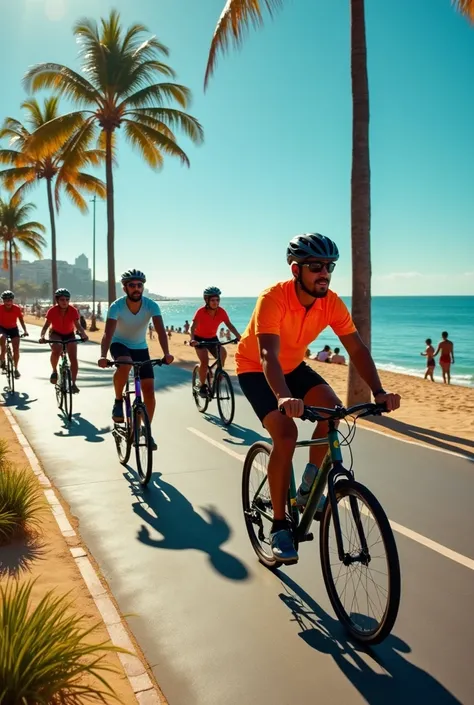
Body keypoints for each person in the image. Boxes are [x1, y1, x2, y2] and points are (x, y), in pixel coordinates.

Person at [236, 233, 401, 564]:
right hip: (256, 368)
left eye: (329, 266)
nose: (323, 272)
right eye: (315, 266)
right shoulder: (273, 298)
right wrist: (283, 397)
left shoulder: (331, 302)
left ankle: (309, 488)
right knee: (286, 435)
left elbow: (356, 348)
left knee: (333, 412)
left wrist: (379, 391)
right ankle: (280, 526)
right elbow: (268, 353)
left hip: (294, 366)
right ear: (296, 270)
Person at [97, 269, 173, 448]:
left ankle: (145, 430)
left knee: (149, 391)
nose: (136, 289)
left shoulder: (151, 305)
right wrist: (102, 355)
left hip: (140, 348)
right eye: (132, 285)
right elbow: (108, 333)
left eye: (139, 285)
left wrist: (166, 353)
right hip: (119, 344)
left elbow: (161, 331)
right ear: (125, 288)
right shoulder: (116, 306)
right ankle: (118, 400)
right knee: (124, 364)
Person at [190, 287, 241, 397]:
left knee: (223, 353)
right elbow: (193, 326)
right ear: (207, 301)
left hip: (212, 338)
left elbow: (229, 325)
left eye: (217, 300)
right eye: (213, 300)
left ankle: (217, 372)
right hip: (199, 339)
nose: (215, 303)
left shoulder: (221, 312)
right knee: (204, 361)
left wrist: (239, 336)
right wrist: (192, 339)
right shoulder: (201, 311)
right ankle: (202, 386)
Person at [39, 288, 88, 393]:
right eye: (62, 299)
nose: (65, 302)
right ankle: (54, 371)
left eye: (67, 299)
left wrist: (83, 334)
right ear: (57, 300)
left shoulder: (73, 310)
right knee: (56, 350)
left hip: (69, 335)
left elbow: (78, 325)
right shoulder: (52, 311)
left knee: (73, 358)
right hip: (55, 334)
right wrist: (42, 336)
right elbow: (45, 326)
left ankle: (73, 383)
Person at [0, 290, 29, 378]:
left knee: (16, 349)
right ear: (3, 301)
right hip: (2, 328)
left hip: (13, 329)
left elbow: (21, 320)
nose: (8, 302)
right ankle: (2, 360)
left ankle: (16, 369)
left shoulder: (16, 309)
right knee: (2, 339)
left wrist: (25, 331)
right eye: (6, 300)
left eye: (10, 300)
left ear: (12, 300)